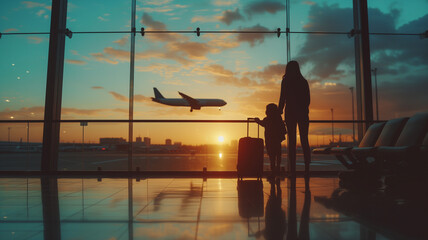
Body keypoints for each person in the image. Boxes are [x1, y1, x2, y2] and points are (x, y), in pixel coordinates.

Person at [278, 60, 311, 176]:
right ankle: (307, 168)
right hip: (302, 114)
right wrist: (302, 108)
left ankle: (292, 170)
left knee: (291, 142)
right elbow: (308, 100)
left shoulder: (286, 81)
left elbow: (282, 98)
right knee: (304, 140)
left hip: (290, 113)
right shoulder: (303, 82)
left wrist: (279, 111)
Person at [255, 103, 287, 175]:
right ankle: (277, 169)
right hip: (277, 141)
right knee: (278, 155)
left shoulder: (267, 119)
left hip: (270, 141)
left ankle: (273, 171)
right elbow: (283, 130)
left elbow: (262, 123)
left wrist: (257, 121)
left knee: (272, 157)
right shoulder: (278, 119)